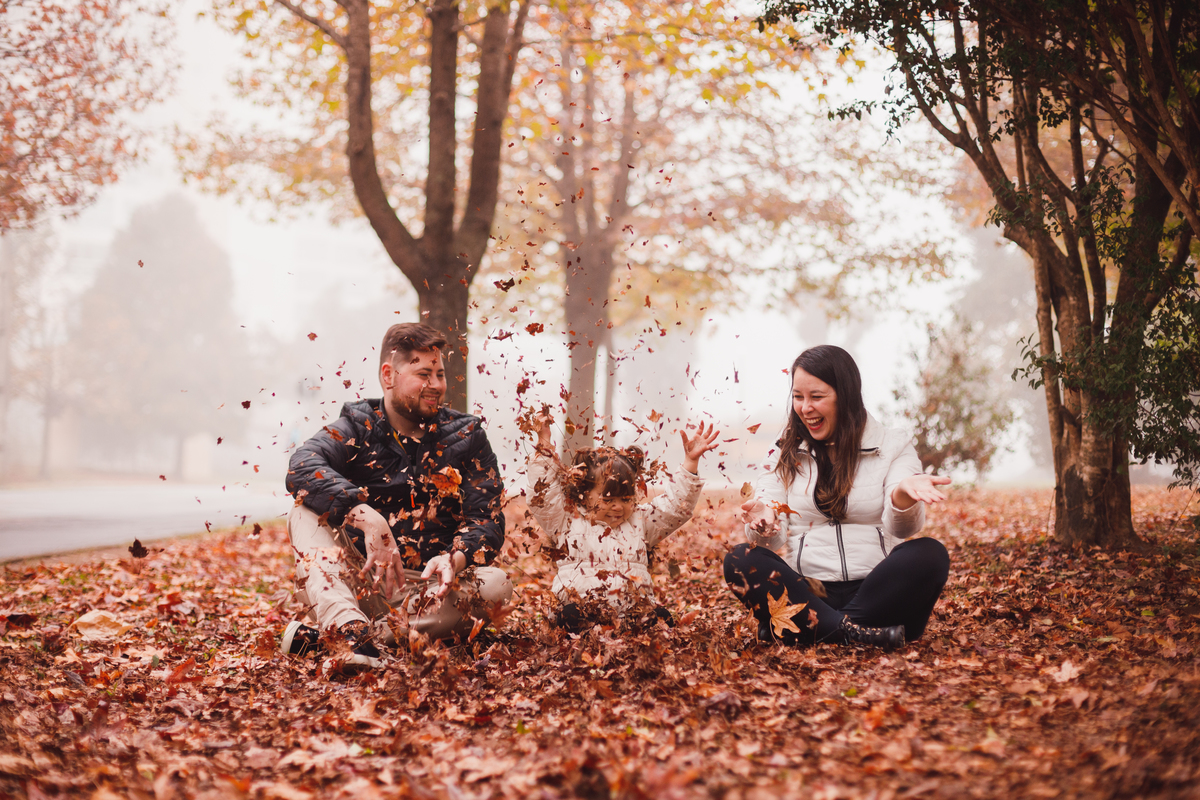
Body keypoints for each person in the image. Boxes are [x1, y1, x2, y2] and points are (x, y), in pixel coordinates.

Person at [281, 322, 512, 672]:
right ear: (388, 375)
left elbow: (488, 520)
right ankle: (347, 624)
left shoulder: (468, 435)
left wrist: (455, 558)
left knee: (496, 584)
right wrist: (364, 515)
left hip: (431, 593)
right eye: (423, 374)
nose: (436, 385)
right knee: (303, 511)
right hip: (360, 581)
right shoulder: (357, 426)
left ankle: (348, 640)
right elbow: (302, 467)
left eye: (440, 374)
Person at [724, 345, 950, 651]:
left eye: (817, 397)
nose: (805, 408)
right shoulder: (784, 452)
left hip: (878, 592)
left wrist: (900, 496)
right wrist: (764, 520)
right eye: (798, 397)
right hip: (811, 592)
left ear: (846, 395)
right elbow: (769, 536)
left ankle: (810, 630)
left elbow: (903, 530)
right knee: (740, 559)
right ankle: (858, 633)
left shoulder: (893, 444)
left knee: (930, 553)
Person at [526, 412, 719, 630]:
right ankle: (586, 633)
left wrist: (690, 463)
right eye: (608, 499)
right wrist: (543, 443)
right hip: (581, 609)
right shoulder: (567, 520)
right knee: (569, 616)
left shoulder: (640, 521)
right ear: (584, 493)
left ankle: (633, 631)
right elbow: (542, 497)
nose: (618, 507)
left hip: (631, 612)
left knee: (662, 618)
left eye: (625, 499)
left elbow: (675, 508)